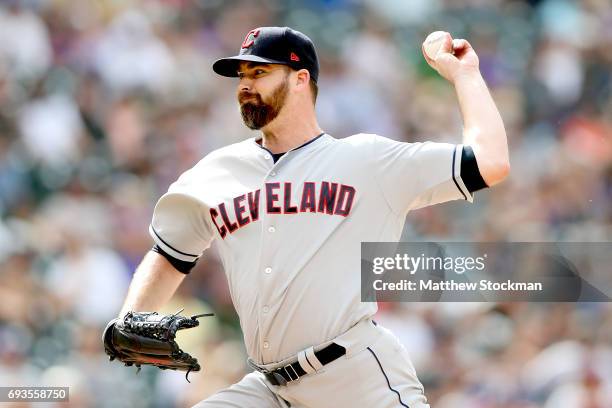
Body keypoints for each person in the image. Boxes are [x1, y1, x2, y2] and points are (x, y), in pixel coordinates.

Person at [113, 26, 509, 407]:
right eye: (242, 75)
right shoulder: (216, 172)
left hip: (354, 380)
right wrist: (130, 317)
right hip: (269, 388)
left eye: (260, 72)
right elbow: (169, 253)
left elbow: (490, 162)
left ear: (301, 79)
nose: (245, 84)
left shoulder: (365, 160)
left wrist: (466, 75)